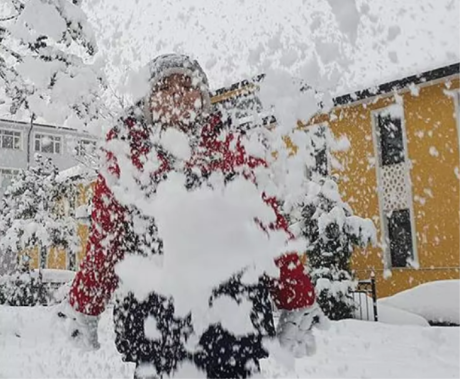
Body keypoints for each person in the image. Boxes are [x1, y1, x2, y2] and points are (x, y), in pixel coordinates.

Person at [58, 54, 327, 379]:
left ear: (203, 96)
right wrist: (85, 304)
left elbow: (268, 224)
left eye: (186, 84)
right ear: (148, 98)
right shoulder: (126, 153)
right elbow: (106, 241)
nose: (176, 94)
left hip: (232, 319)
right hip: (154, 323)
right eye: (164, 86)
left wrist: (296, 298)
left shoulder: (231, 145)